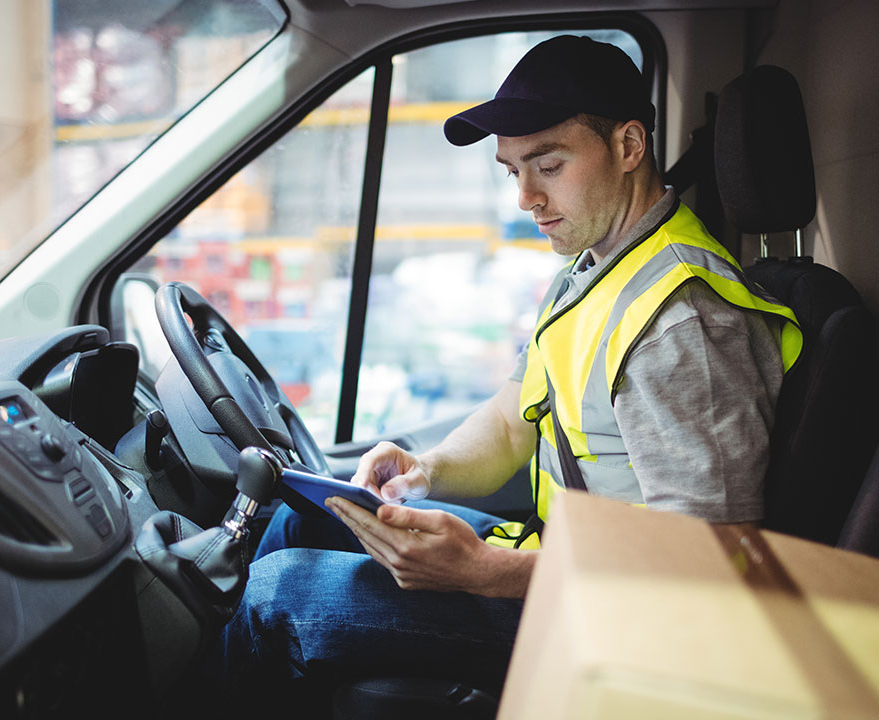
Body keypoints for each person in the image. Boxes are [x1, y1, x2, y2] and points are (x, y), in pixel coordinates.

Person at [216, 34, 801, 708]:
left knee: (276, 593)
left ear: (629, 147)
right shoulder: (595, 270)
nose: (526, 197)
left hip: (629, 625)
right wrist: (423, 468)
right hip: (563, 561)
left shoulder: (681, 322)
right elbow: (510, 419)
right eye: (512, 171)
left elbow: (710, 562)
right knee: (302, 522)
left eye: (548, 165)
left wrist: (487, 572)